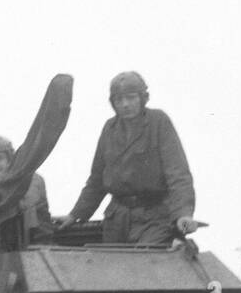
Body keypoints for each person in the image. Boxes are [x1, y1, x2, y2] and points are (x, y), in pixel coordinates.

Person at [54, 71, 202, 246]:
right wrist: (75, 214)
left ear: (142, 98)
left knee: (146, 263)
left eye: (131, 98)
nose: (125, 104)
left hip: (154, 218)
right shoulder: (110, 129)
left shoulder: (158, 122)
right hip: (117, 220)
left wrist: (183, 214)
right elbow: (97, 180)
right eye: (119, 100)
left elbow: (178, 174)